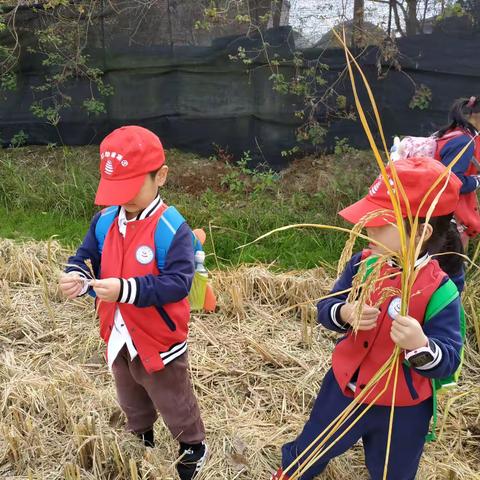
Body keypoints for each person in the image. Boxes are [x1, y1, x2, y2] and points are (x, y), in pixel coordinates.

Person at [271, 157, 464, 480]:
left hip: (403, 408)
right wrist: (345, 313)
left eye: (379, 221)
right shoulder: (363, 264)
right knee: (312, 445)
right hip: (345, 389)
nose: (366, 227)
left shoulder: (440, 291)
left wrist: (420, 346)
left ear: (421, 232)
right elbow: (326, 307)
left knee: (394, 470)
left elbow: (449, 360)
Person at [59, 126, 207, 480]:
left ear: (161, 177)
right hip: (117, 333)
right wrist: (76, 274)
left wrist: (125, 289)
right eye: (115, 190)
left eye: (130, 188)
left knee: (171, 396)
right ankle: (141, 438)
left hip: (159, 338)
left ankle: (192, 445)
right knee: (129, 392)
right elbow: (86, 254)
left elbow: (176, 284)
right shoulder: (105, 220)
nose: (122, 199)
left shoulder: (172, 229)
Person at [435, 95, 480, 243]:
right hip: (448, 219)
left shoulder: (457, 131)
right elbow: (452, 182)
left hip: (443, 214)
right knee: (453, 263)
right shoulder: (464, 141)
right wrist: (476, 181)